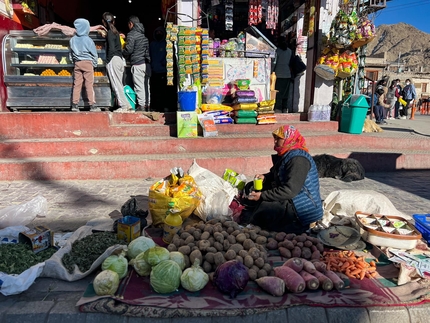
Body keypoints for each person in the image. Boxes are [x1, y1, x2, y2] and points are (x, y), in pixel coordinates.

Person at [242, 125, 323, 234]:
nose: (275, 141)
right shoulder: (288, 154)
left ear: (289, 139)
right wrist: (265, 177)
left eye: (278, 139)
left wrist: (263, 196)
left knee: (266, 207)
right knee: (251, 186)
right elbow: (280, 173)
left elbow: (290, 190)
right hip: (292, 197)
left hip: (302, 208)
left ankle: (256, 224)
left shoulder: (298, 160)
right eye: (274, 138)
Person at [101, 12, 133, 113]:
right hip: (119, 59)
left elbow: (111, 48)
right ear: (113, 21)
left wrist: (107, 61)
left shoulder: (110, 33)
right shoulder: (115, 32)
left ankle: (123, 106)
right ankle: (128, 105)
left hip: (113, 60)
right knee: (119, 84)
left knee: (116, 85)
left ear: (103, 22)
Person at [69, 18, 100, 112]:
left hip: (77, 63)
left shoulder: (72, 39)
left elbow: (70, 54)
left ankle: (74, 105)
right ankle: (92, 105)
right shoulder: (89, 40)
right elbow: (94, 54)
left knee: (77, 84)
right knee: (89, 84)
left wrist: (73, 62)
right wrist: (94, 64)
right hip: (88, 63)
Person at [123, 15, 151, 111]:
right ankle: (147, 105)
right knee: (146, 85)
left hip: (138, 63)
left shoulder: (132, 34)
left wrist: (122, 53)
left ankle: (142, 106)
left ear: (131, 24)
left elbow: (129, 49)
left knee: (139, 86)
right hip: (146, 64)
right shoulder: (143, 35)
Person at [149, 26, 167, 112]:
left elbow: (168, 55)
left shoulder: (165, 44)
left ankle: (164, 106)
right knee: (155, 90)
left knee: (164, 90)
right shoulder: (152, 44)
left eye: (160, 32)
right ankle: (155, 106)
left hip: (163, 71)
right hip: (154, 70)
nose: (158, 34)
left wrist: (164, 62)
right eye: (157, 32)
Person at [273, 36, 292, 113]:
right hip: (287, 74)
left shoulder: (277, 51)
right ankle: (285, 108)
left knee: (278, 93)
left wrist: (271, 71)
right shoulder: (290, 51)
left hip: (278, 75)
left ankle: (278, 108)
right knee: (285, 93)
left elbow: (274, 63)